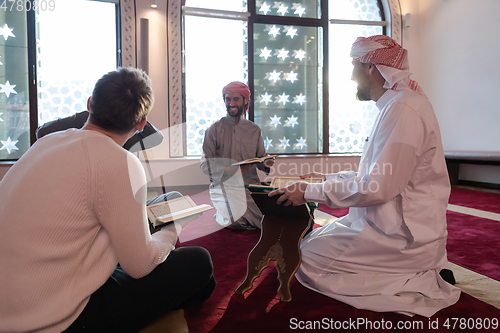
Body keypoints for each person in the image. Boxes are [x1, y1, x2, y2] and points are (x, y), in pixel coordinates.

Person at [0, 67, 215, 333]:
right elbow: (140, 265)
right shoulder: (120, 162)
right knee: (199, 261)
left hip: (13, 298)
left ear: (90, 103)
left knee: (170, 199)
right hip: (59, 319)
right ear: (141, 123)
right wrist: (176, 227)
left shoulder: (46, 143)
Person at [269, 35, 460, 317]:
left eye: (353, 66)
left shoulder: (403, 109)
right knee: (306, 245)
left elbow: (378, 187)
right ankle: (416, 269)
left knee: (304, 258)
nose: (350, 76)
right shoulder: (397, 105)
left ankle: (418, 277)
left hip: (401, 234)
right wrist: (323, 179)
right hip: (385, 222)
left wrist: (309, 192)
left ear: (371, 67)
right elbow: (374, 173)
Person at [200, 81, 274, 230]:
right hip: (224, 187)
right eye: (228, 99)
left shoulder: (254, 130)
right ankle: (224, 214)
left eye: (235, 99)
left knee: (270, 214)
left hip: (250, 187)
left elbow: (260, 157)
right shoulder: (214, 130)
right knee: (235, 220)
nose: (231, 103)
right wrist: (231, 171)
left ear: (245, 101)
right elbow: (205, 164)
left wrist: (266, 163)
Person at [35, 105, 163, 153]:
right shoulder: (83, 125)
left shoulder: (124, 140)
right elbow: (42, 132)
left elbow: (156, 138)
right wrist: (87, 116)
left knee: (173, 197)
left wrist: (133, 109)